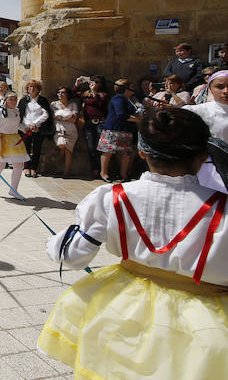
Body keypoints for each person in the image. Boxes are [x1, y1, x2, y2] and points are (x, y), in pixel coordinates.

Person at [37, 108, 228, 379]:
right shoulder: (223, 207)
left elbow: (73, 257)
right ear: (202, 157)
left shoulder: (110, 198)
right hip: (207, 324)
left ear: (142, 153)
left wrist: (56, 243)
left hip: (123, 314)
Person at [97, 79, 139, 183]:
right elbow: (121, 114)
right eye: (131, 86)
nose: (134, 88)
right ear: (126, 88)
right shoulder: (119, 98)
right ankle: (104, 173)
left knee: (125, 153)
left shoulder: (129, 99)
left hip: (125, 129)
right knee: (108, 151)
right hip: (113, 128)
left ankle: (123, 174)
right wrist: (138, 120)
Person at [18, 80, 52, 178]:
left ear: (38, 89)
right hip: (26, 128)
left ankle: (34, 168)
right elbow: (21, 114)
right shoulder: (23, 100)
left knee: (37, 149)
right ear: (27, 89)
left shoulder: (43, 100)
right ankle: (27, 167)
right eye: (30, 87)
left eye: (34, 87)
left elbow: (46, 114)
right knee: (26, 148)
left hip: (38, 128)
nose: (32, 89)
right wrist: (29, 124)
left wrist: (35, 124)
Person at [81, 76, 109, 180]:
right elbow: (72, 94)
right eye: (92, 81)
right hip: (89, 123)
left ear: (100, 84)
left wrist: (93, 93)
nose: (93, 83)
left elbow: (99, 103)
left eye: (96, 82)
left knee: (102, 147)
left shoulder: (103, 95)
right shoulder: (85, 94)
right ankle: (95, 169)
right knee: (91, 147)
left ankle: (103, 171)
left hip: (101, 123)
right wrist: (77, 84)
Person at [50, 87, 79, 177]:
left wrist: (61, 116)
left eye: (62, 92)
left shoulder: (73, 104)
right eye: (58, 92)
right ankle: (60, 156)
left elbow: (74, 119)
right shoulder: (54, 104)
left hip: (71, 131)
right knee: (61, 145)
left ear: (67, 94)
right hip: (59, 129)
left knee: (68, 150)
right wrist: (67, 116)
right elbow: (53, 116)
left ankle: (66, 171)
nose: (60, 94)